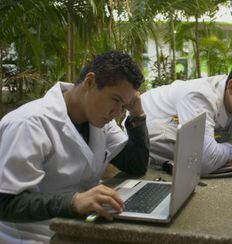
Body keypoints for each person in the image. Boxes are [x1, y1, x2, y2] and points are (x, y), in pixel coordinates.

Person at [0, 51, 149, 242]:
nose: (118, 113)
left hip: (79, 228)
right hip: (35, 236)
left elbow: (135, 164)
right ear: (89, 82)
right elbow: (5, 202)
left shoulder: (100, 121)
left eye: (124, 106)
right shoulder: (29, 124)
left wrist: (137, 114)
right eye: (116, 100)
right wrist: (73, 201)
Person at [141, 51, 232, 175]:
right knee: (191, 153)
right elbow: (203, 161)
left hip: (176, 138)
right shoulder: (199, 96)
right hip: (145, 136)